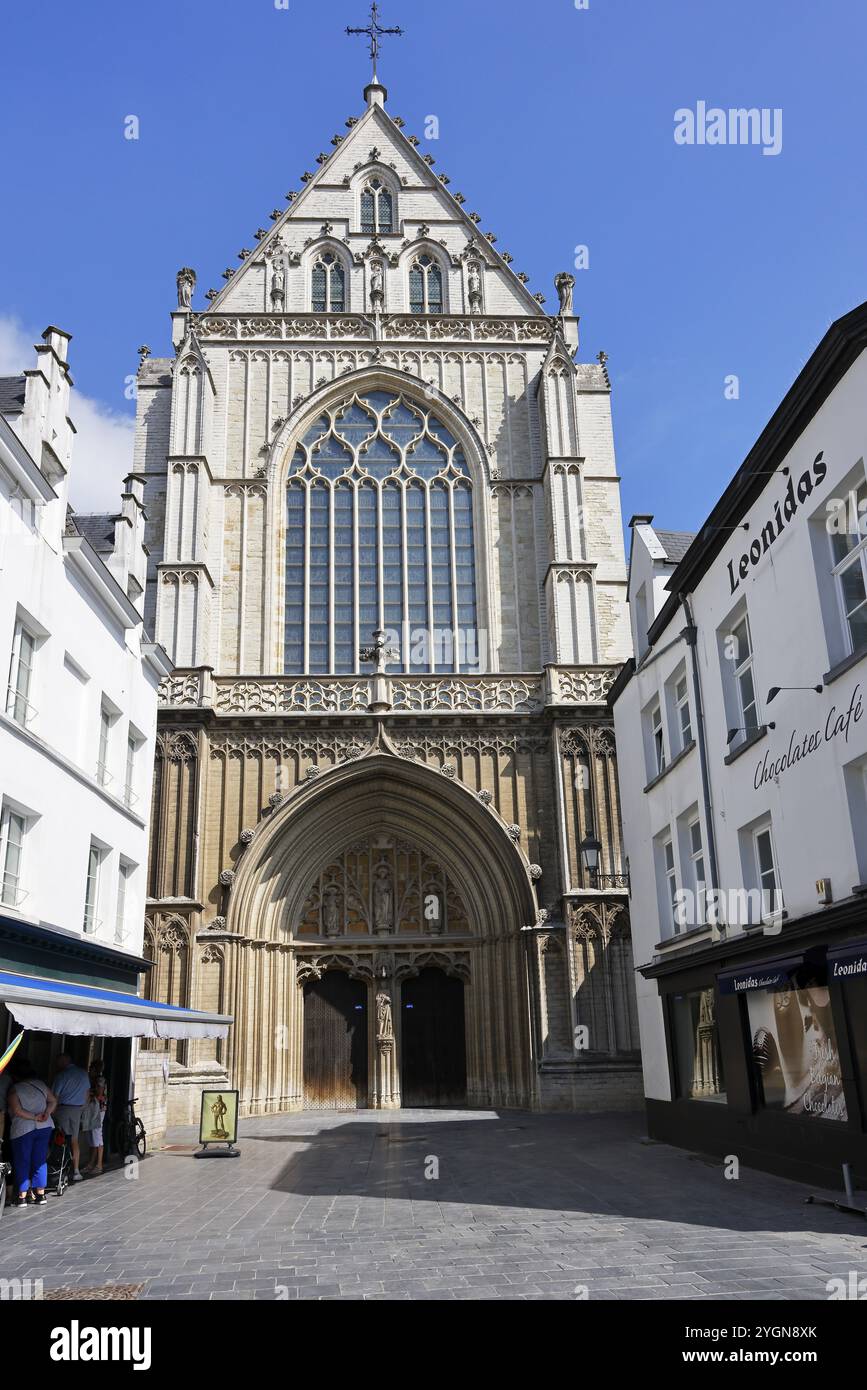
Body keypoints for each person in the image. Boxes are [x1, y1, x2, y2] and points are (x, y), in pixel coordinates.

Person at [6, 1057, 57, 1208]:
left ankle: (21, 1197)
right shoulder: (41, 1085)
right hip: (44, 1126)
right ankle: (40, 1195)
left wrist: (34, 1117)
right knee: (40, 1160)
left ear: (15, 1076)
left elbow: (16, 1110)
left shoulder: (15, 1089)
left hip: (23, 1129)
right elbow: (53, 1100)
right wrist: (46, 1113)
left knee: (23, 1160)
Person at [52, 1053, 91, 1182]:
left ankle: (60, 1169)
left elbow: (54, 1097)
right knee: (74, 1139)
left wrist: (50, 1112)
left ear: (64, 1061)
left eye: (58, 1062)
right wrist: (82, 1108)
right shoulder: (83, 1074)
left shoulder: (61, 1076)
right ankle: (76, 1171)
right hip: (77, 1110)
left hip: (62, 1109)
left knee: (60, 1138)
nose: (56, 1065)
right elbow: (87, 1094)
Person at [82, 1059, 107, 1176]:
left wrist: (90, 1092)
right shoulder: (92, 1079)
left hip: (99, 1109)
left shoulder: (100, 1080)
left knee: (97, 1134)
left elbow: (99, 1094)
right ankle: (91, 1163)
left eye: (91, 1068)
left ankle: (99, 1164)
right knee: (91, 1135)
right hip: (92, 1108)